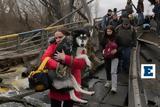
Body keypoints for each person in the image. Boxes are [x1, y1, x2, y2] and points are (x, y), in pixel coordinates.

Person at [41, 29, 87, 107]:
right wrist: (58, 66)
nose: (58, 40)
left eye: (60, 37)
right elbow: (44, 58)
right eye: (56, 38)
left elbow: (81, 64)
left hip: (71, 81)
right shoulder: (52, 45)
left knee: (68, 103)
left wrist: (65, 58)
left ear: (67, 36)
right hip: (56, 80)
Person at [101, 25, 119, 93]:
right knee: (107, 69)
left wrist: (117, 50)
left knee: (113, 71)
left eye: (110, 31)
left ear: (113, 31)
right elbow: (101, 46)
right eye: (107, 31)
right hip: (107, 56)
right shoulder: (104, 38)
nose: (108, 32)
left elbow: (121, 46)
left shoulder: (117, 38)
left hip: (115, 56)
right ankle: (108, 81)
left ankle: (114, 87)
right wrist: (102, 51)